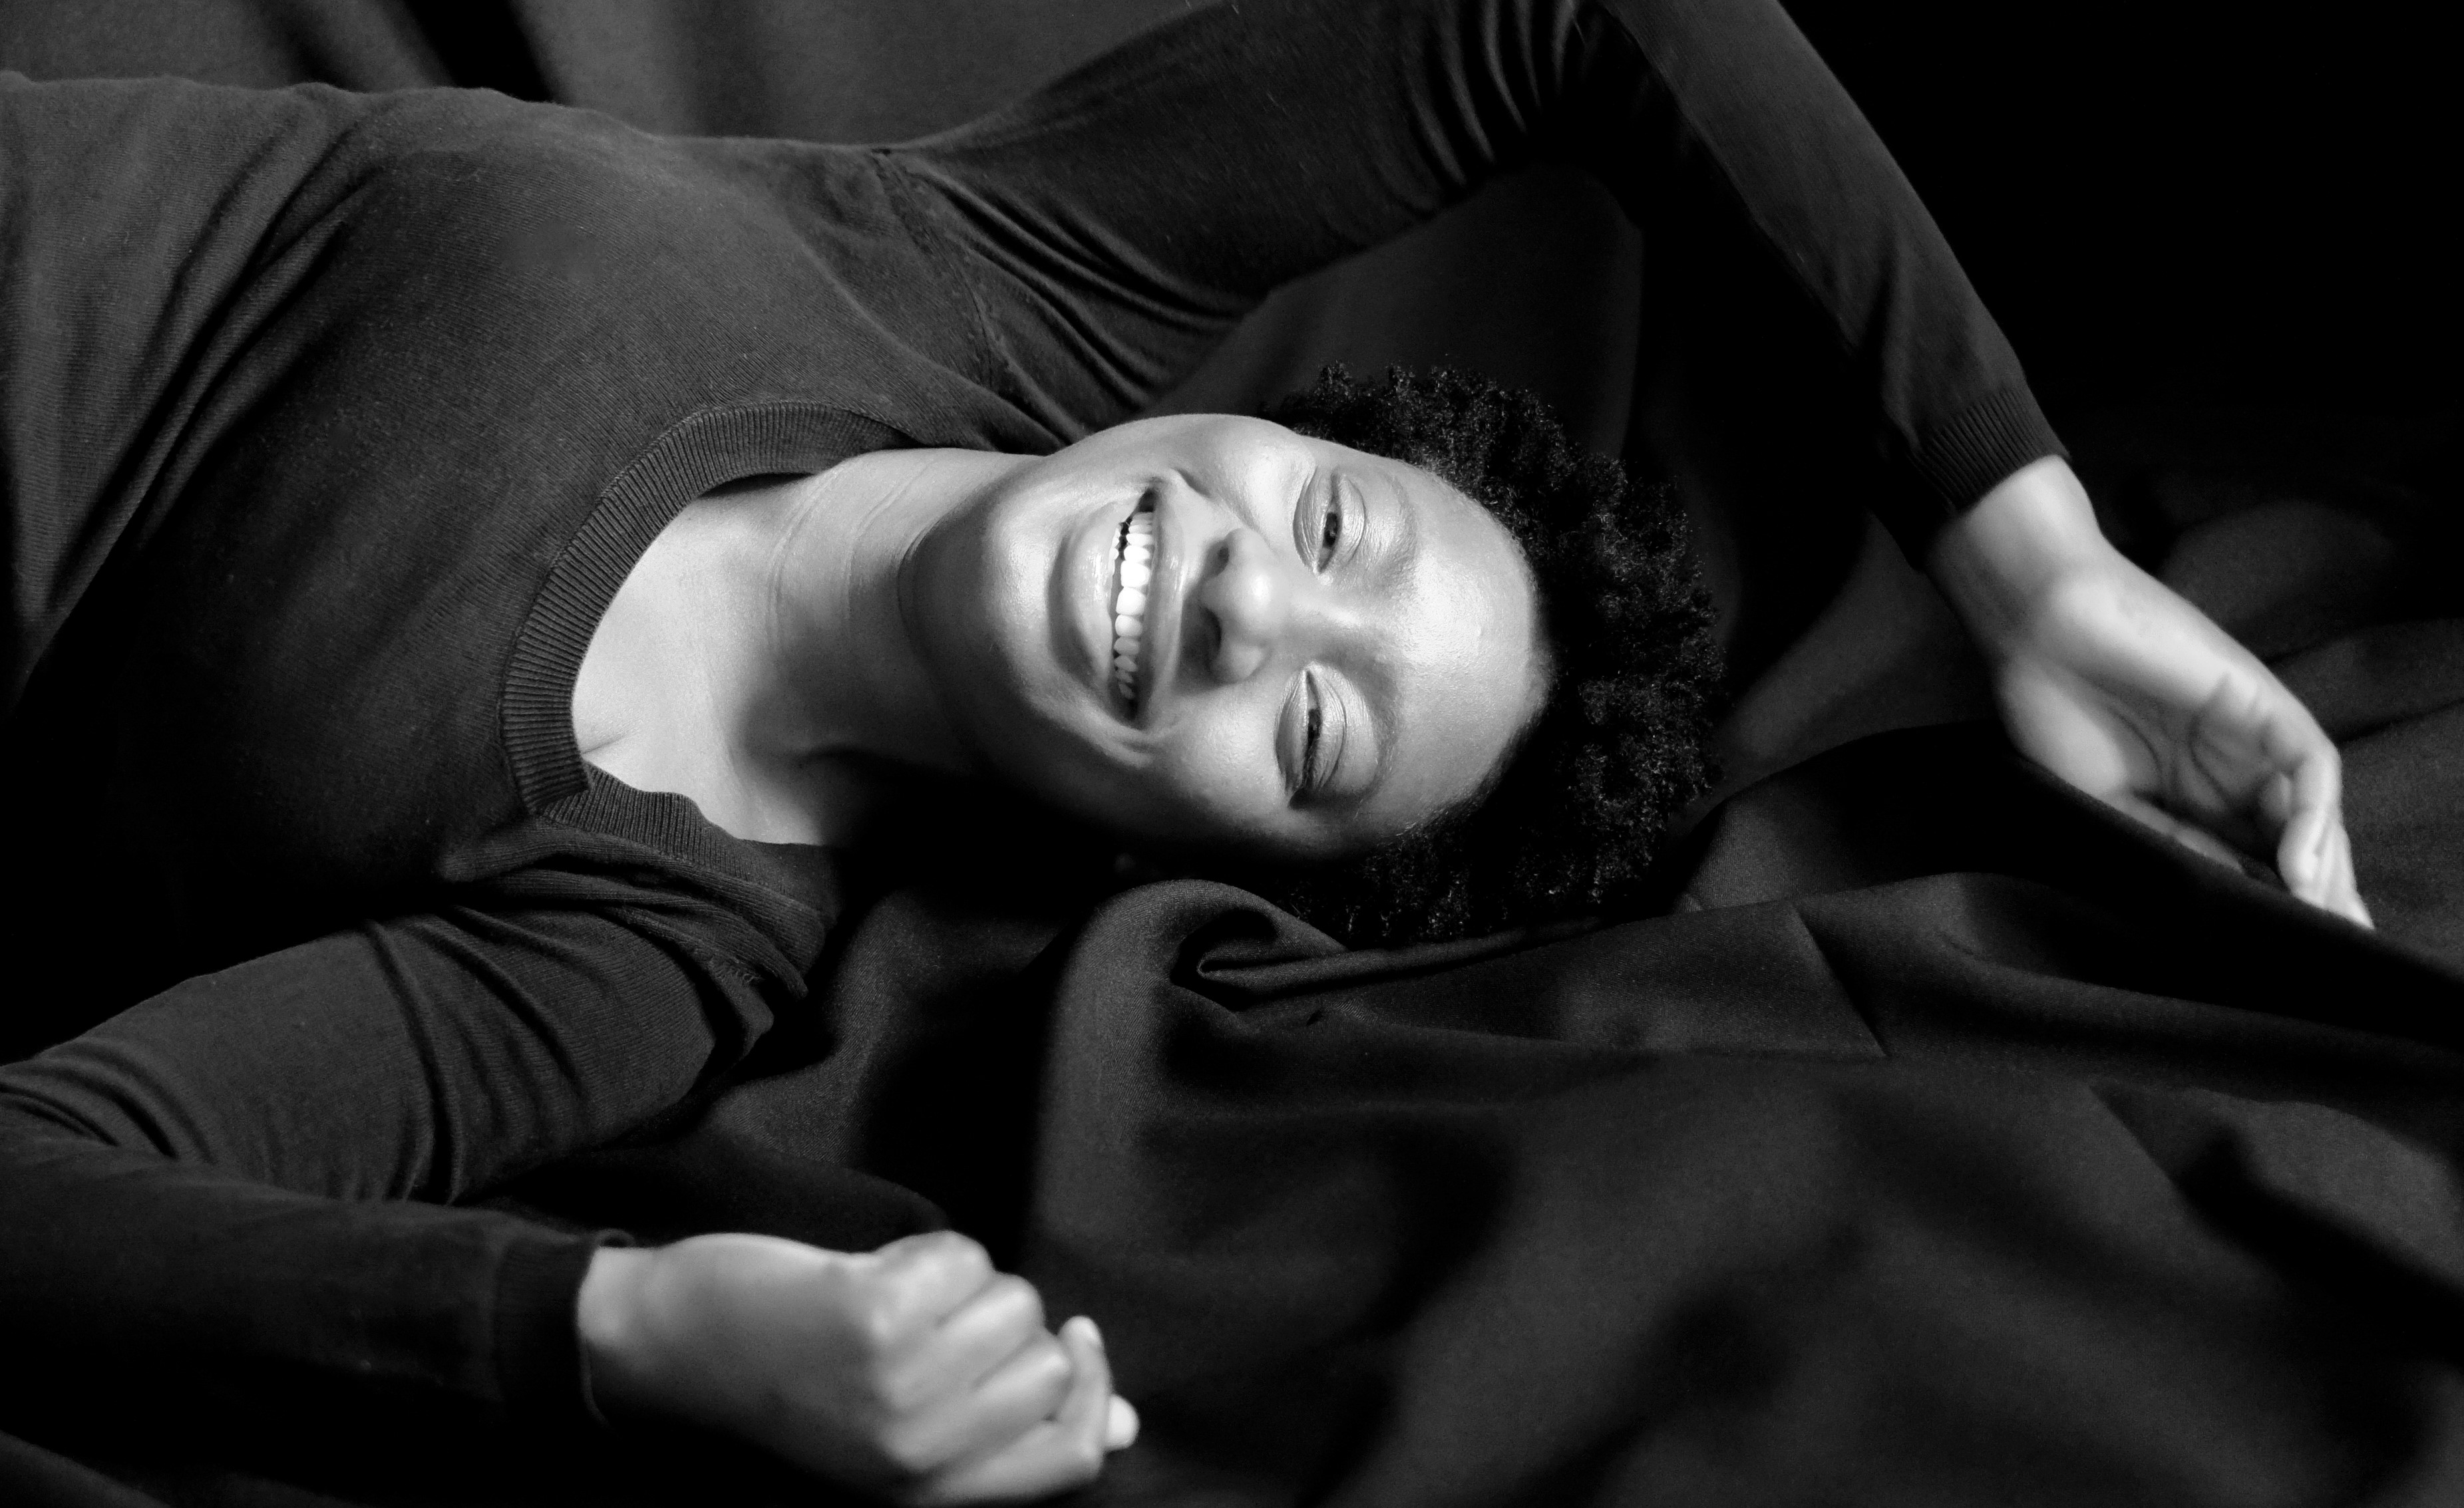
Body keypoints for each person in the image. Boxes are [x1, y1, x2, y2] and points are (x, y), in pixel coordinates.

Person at [0, 0, 2368, 1500]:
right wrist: (2035, 560)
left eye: (1313, 727)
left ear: (1195, 850)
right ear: (1252, 427)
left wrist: (624, 1327)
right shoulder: (972, 275)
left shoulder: (646, 939)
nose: (1248, 601)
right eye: (1331, 525)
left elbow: (37, 1184)